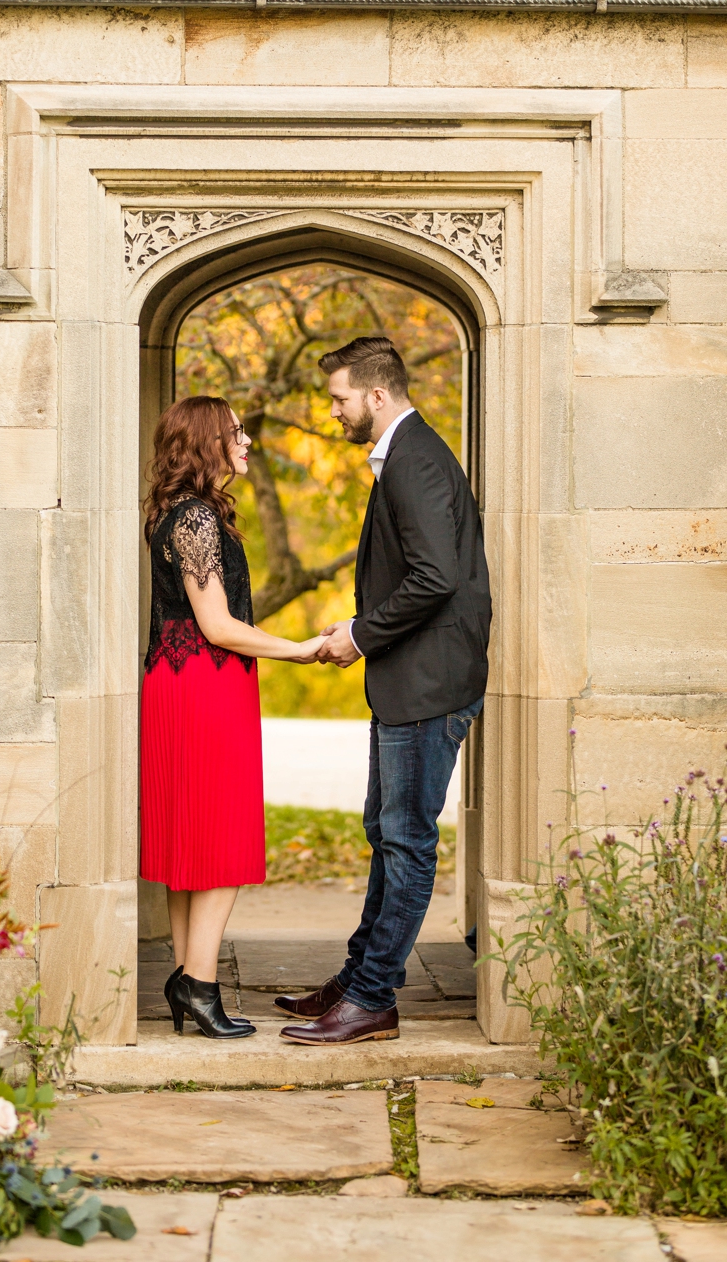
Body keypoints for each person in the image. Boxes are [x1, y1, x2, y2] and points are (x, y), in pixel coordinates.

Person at [276, 336, 494, 1047]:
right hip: (413, 680)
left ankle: (372, 999)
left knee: (405, 842)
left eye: (339, 398)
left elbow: (435, 578)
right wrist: (361, 628)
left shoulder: (415, 461)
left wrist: (361, 635)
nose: (332, 411)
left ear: (376, 394)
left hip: (427, 685)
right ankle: (358, 978)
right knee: (385, 833)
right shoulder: (406, 456)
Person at [141, 395, 326, 1039]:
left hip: (184, 683)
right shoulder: (194, 521)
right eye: (235, 432)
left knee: (190, 838)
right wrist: (300, 649)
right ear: (206, 443)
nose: (246, 441)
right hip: (201, 686)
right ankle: (197, 984)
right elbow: (218, 626)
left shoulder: (185, 515)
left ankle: (189, 979)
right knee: (218, 838)